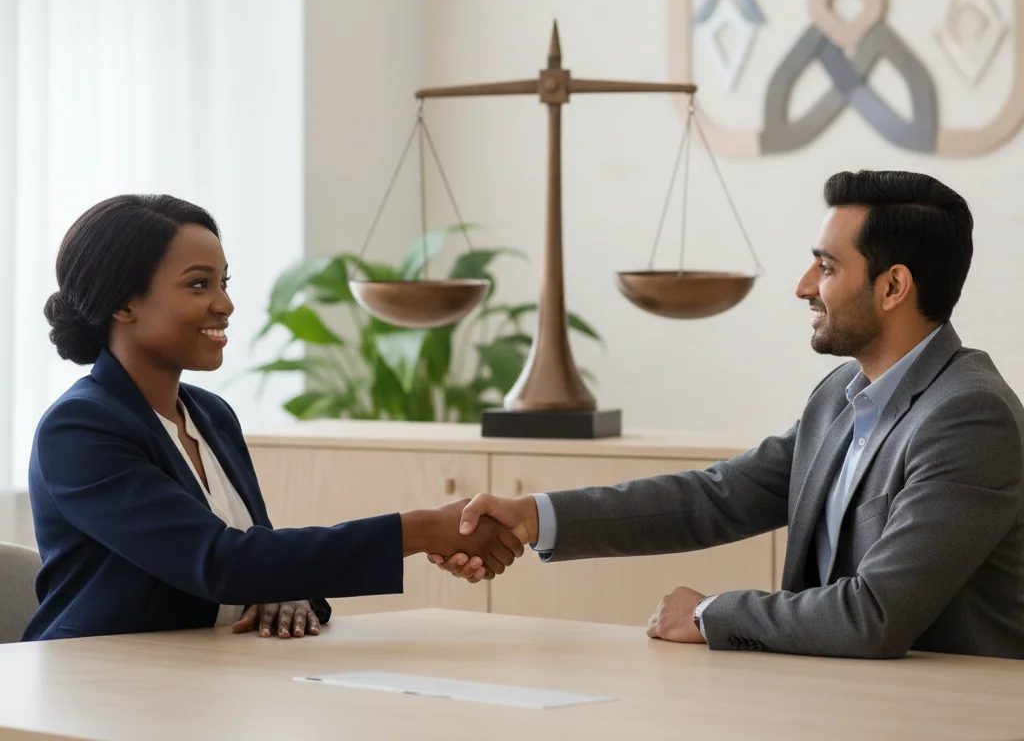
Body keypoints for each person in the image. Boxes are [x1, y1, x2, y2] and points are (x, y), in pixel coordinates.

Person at [432, 170, 1024, 659]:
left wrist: (707, 612)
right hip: (838, 699)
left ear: (893, 286)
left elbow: (876, 614)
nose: (802, 287)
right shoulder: (843, 393)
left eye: (826, 267)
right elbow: (718, 497)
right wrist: (536, 516)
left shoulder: (969, 418)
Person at [23, 195, 522, 642]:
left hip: (212, 673)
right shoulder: (80, 429)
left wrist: (285, 589)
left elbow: (259, 557)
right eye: (199, 284)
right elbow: (221, 563)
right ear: (123, 304)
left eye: (224, 283)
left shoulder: (210, 415)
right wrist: (419, 529)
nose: (225, 304)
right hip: (96, 680)